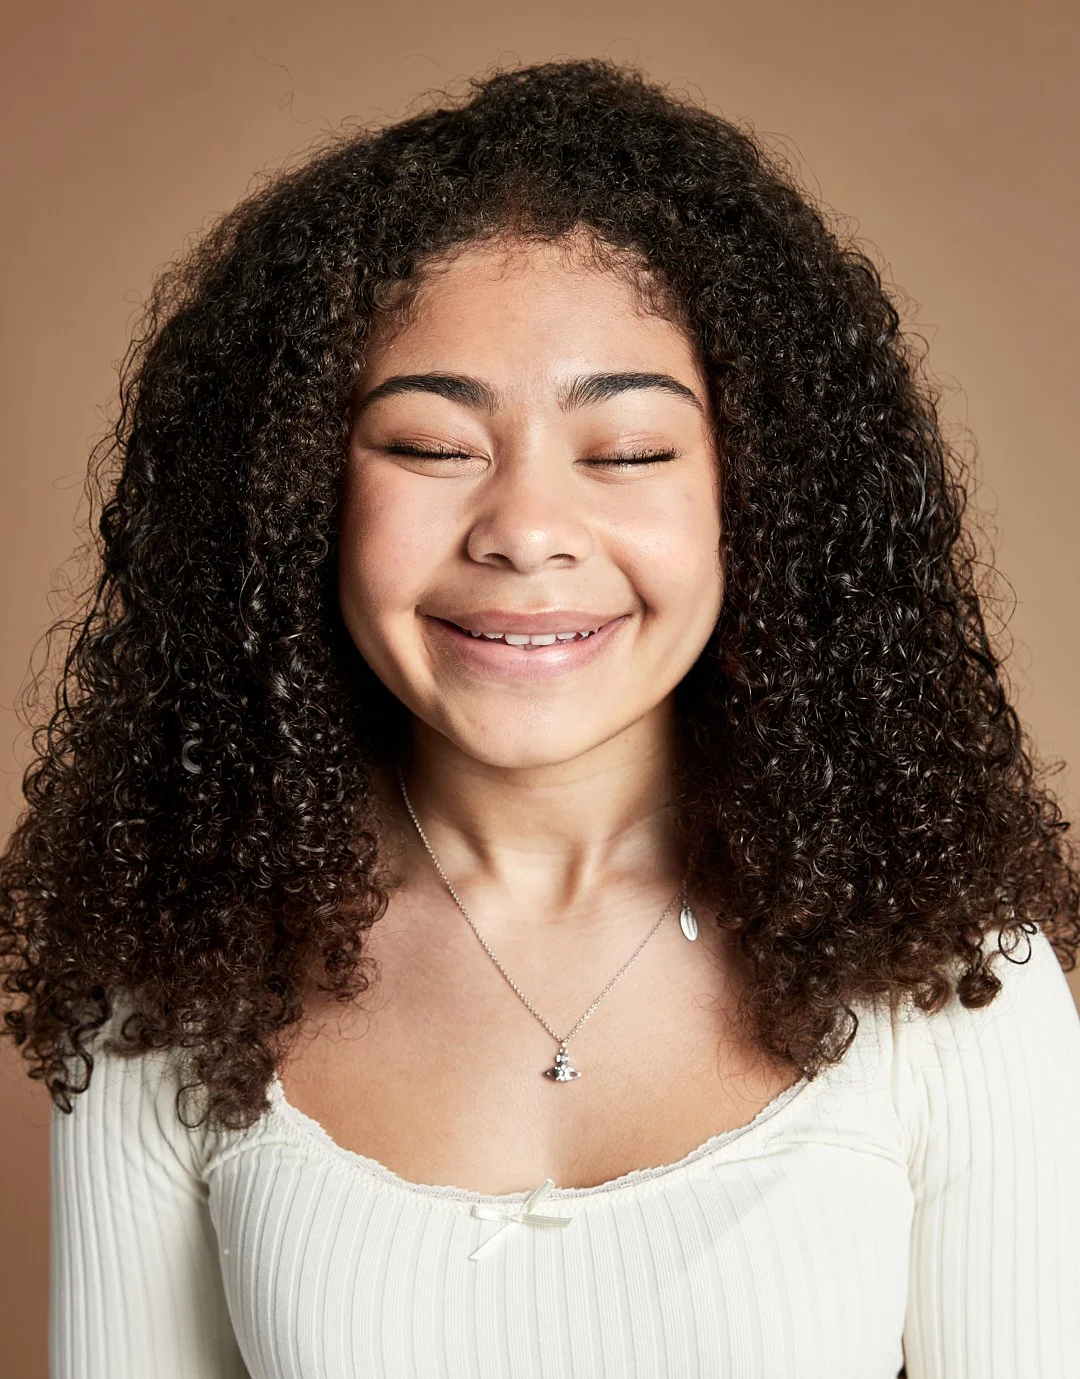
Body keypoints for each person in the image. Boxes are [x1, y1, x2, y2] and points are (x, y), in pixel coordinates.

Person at [2, 56, 1078, 1379]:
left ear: (763, 498)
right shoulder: (176, 977)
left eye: (625, 452)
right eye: (430, 446)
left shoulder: (952, 969)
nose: (524, 532)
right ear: (294, 499)